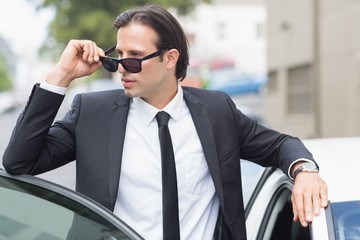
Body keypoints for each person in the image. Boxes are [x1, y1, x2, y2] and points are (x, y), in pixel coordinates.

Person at [2, 4, 328, 240]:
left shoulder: (216, 111)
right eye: (118, 57)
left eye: (134, 57)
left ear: (170, 58)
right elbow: (19, 162)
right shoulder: (93, 112)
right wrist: (60, 77)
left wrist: (305, 172)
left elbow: (280, 145)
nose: (122, 67)